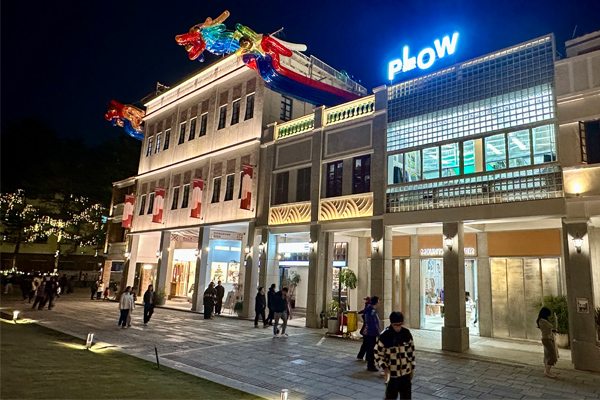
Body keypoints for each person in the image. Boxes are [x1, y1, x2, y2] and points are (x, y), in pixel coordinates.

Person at [374, 312, 416, 399]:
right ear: (391, 323)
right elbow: (377, 353)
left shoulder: (406, 333)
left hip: (405, 372)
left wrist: (412, 367)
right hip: (392, 374)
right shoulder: (385, 336)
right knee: (390, 397)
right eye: (395, 325)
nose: (398, 328)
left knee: (406, 397)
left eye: (400, 325)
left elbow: (411, 351)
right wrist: (384, 367)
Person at [537, 307, 559, 378]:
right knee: (551, 355)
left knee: (547, 354)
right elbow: (554, 327)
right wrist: (555, 319)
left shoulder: (541, 320)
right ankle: (547, 371)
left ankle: (547, 370)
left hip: (546, 338)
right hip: (547, 339)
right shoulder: (543, 321)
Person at [364, 296, 380, 372]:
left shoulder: (371, 309)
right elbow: (373, 323)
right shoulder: (371, 310)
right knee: (371, 349)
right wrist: (377, 333)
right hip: (371, 332)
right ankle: (371, 365)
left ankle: (369, 362)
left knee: (370, 348)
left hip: (371, 332)